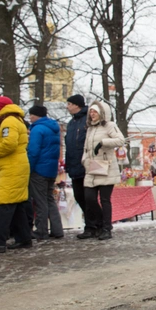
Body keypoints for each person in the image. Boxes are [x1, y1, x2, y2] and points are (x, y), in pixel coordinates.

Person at [81, 101, 125, 240]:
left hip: (106, 165)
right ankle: (99, 224)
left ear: (101, 113)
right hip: (92, 167)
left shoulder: (109, 126)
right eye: (91, 112)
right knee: (89, 198)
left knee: (105, 199)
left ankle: (106, 228)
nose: (92, 114)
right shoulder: (90, 129)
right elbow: (86, 148)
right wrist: (84, 160)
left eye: (95, 112)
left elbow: (120, 140)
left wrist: (103, 142)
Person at [0, 96, 33, 253]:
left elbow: (8, 144)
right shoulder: (15, 120)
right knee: (17, 204)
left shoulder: (8, 122)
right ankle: (24, 238)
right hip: (16, 166)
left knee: (4, 204)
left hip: (11, 168)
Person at [27, 105, 64, 240]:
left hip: (39, 170)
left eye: (31, 115)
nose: (30, 117)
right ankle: (57, 230)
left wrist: (29, 169)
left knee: (40, 201)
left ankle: (41, 231)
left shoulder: (37, 129)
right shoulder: (53, 128)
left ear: (36, 115)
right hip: (51, 169)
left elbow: (34, 152)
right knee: (50, 199)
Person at [65, 94, 89, 234]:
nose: (67, 107)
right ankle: (90, 224)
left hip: (85, 164)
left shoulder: (86, 120)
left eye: (69, 104)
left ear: (76, 105)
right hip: (74, 164)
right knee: (79, 196)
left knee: (88, 198)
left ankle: (93, 225)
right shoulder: (71, 122)